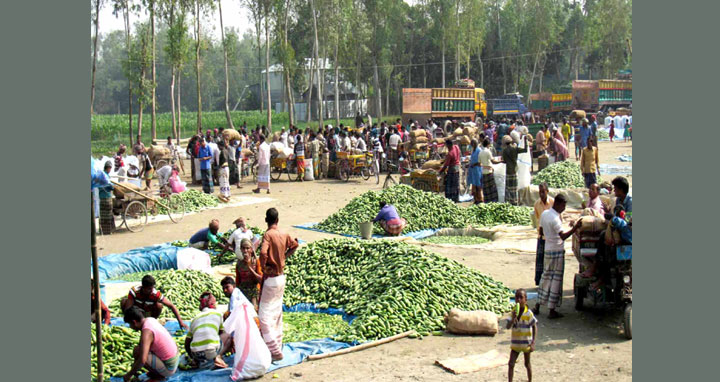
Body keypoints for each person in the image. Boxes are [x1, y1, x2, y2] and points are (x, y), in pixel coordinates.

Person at [258, 208, 299, 361]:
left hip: (271, 278)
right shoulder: (284, 234)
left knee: (264, 316)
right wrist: (284, 257)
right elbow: (295, 245)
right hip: (281, 277)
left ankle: (275, 351)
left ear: (266, 220)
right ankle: (277, 343)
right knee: (276, 313)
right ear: (277, 220)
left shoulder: (268, 235)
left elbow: (263, 253)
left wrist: (264, 267)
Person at [534, 194, 582, 319]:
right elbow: (563, 236)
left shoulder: (545, 214)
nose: (564, 208)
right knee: (555, 280)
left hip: (548, 249)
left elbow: (541, 230)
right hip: (557, 251)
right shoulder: (555, 218)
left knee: (545, 277)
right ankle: (552, 310)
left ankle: (538, 305)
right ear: (559, 204)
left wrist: (549, 238)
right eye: (564, 206)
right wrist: (575, 228)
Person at [122, 306, 179, 382]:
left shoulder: (147, 332)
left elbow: (142, 359)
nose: (130, 327)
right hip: (174, 358)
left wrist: (129, 374)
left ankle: (159, 377)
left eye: (130, 324)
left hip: (169, 367)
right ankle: (156, 372)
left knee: (139, 353)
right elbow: (140, 346)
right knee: (138, 349)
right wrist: (134, 371)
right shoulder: (150, 320)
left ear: (134, 322)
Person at [120, 275, 189, 331]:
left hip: (148, 312)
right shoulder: (134, 291)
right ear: (143, 287)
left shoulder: (155, 294)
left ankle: (151, 322)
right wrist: (130, 321)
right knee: (124, 301)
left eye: (152, 288)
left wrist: (181, 322)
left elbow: (171, 306)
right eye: (149, 289)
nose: (151, 290)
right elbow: (128, 308)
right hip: (136, 311)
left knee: (159, 305)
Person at [184, 292, 229, 370]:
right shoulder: (218, 314)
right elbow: (221, 334)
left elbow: (187, 343)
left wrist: (192, 357)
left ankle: (195, 362)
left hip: (196, 354)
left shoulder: (195, 318)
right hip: (210, 353)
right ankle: (218, 358)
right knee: (228, 336)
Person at [507, 289, 537, 382]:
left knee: (527, 364)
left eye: (521, 297)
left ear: (526, 300)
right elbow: (508, 326)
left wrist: (533, 342)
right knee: (511, 364)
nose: (519, 300)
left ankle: (530, 380)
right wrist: (513, 319)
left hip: (526, 344)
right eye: (517, 297)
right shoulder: (513, 312)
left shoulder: (528, 313)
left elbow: (534, 327)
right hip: (515, 344)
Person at [533, 183, 553, 286]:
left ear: (547, 191)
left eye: (543, 191)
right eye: (540, 192)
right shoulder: (537, 204)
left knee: (549, 260)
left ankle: (549, 282)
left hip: (551, 236)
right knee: (541, 260)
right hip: (541, 235)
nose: (541, 194)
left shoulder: (553, 203)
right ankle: (540, 282)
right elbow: (537, 219)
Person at [235, 238, 263, 311]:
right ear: (240, 249)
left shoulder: (256, 262)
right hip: (243, 291)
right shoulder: (239, 263)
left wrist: (249, 267)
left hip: (254, 291)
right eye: (243, 248)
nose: (245, 251)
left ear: (251, 249)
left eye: (247, 248)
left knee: (253, 311)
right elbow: (238, 280)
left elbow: (260, 280)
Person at [501, 135, 526, 206]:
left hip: (508, 170)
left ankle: (509, 202)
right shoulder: (515, 148)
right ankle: (515, 202)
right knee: (514, 188)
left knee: (509, 188)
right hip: (514, 170)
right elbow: (525, 150)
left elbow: (505, 161)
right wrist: (525, 141)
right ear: (511, 142)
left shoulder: (505, 151)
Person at [479, 138, 498, 202]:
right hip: (489, 171)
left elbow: (479, 163)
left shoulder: (480, 152)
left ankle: (487, 200)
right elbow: (493, 161)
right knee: (491, 187)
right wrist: (501, 161)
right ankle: (493, 201)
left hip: (483, 171)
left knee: (486, 188)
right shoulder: (488, 151)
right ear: (488, 144)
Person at [98, 161, 115, 234]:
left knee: (103, 214)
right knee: (107, 214)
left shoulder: (104, 175)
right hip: (106, 198)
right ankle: (107, 231)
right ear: (108, 168)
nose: (110, 170)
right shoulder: (105, 176)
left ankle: (104, 230)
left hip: (102, 197)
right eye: (110, 168)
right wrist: (112, 186)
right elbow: (109, 185)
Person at [467, 139, 484, 204]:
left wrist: (474, 164)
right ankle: (476, 199)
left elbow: (480, 161)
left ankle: (480, 199)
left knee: (478, 185)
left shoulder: (478, 150)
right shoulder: (473, 150)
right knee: (474, 184)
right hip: (473, 170)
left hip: (477, 169)